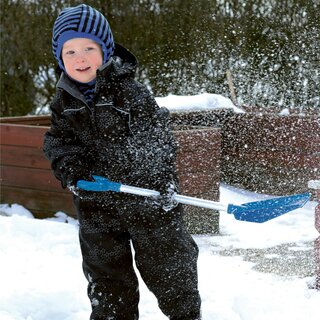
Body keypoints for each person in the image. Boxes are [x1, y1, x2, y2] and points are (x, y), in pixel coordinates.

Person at [43, 4, 201, 319]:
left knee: (170, 271)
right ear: (60, 58)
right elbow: (58, 141)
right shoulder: (64, 100)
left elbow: (158, 141)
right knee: (107, 280)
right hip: (97, 206)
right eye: (70, 52)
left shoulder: (131, 93)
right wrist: (72, 167)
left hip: (149, 202)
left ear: (105, 50)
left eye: (88, 48)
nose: (80, 58)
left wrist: (128, 167)